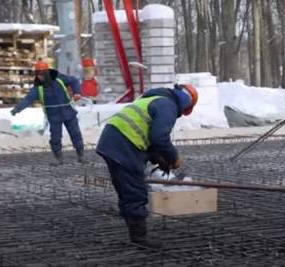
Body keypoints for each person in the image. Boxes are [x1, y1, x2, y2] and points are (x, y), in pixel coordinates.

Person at [96, 84, 198, 248]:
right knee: (135, 191)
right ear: (186, 106)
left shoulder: (154, 99)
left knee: (126, 189)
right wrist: (174, 157)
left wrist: (159, 158)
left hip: (113, 142)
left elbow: (147, 137)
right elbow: (160, 138)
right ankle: (139, 239)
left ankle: (133, 229)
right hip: (122, 145)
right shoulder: (168, 105)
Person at [11, 61, 85, 165]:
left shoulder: (59, 78)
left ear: (46, 72)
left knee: (75, 134)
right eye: (38, 74)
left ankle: (81, 155)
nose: (40, 76)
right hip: (54, 116)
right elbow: (28, 99)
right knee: (55, 137)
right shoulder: (38, 88)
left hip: (69, 113)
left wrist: (77, 93)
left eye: (42, 73)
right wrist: (17, 109)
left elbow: (74, 81)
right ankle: (58, 158)